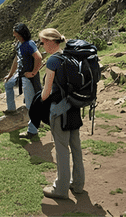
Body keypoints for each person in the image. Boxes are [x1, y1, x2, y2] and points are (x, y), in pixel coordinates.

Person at [39, 28, 84, 199]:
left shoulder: (53, 61)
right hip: (74, 107)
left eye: (43, 42)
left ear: (51, 42)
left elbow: (46, 91)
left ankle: (60, 189)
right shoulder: (70, 56)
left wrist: (40, 102)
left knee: (62, 149)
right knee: (76, 147)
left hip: (60, 110)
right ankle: (78, 184)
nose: (42, 46)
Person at [4, 23, 42, 139]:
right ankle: (11, 109)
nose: (13, 34)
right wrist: (10, 75)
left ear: (20, 34)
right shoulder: (19, 44)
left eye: (15, 32)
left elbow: (39, 57)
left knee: (31, 104)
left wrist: (33, 72)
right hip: (20, 74)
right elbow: (17, 59)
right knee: (8, 85)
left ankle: (32, 131)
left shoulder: (29, 44)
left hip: (27, 78)